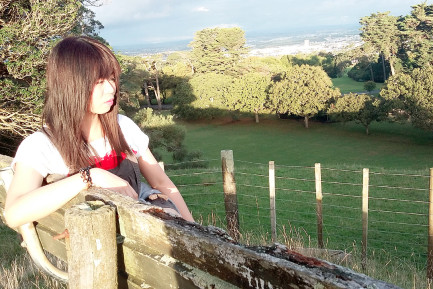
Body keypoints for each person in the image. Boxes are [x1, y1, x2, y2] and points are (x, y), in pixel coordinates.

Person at [4, 36, 194, 228]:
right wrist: (89, 176)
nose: (111, 88)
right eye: (99, 81)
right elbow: (13, 214)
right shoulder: (42, 145)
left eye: (112, 78)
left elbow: (162, 183)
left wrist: (195, 230)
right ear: (70, 86)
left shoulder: (123, 127)